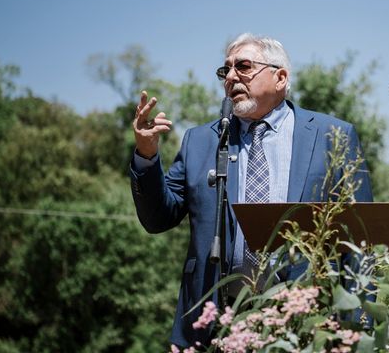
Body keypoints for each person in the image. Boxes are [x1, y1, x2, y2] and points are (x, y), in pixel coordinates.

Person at [129, 33, 373, 348]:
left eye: (243, 66)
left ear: (281, 77)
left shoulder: (332, 135)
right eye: (225, 70)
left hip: (308, 317)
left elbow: (360, 237)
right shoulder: (201, 141)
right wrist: (146, 155)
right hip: (217, 319)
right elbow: (158, 218)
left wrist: (353, 328)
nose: (231, 77)